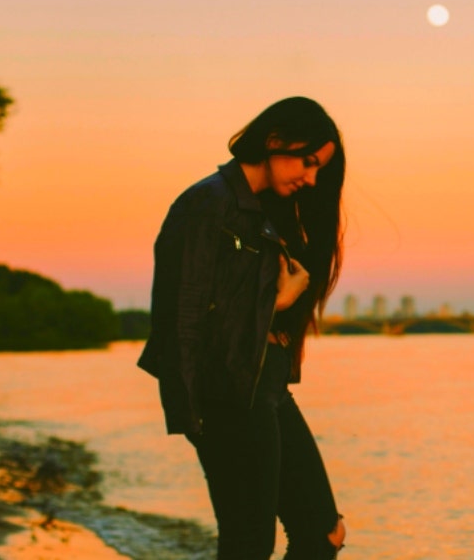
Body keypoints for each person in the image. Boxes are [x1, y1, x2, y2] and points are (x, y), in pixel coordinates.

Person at [138, 97, 348, 558]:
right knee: (249, 544)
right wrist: (191, 416)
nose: (311, 179)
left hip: (265, 383)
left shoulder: (265, 214)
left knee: (323, 532)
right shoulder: (207, 204)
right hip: (228, 391)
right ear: (275, 141)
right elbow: (182, 317)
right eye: (308, 162)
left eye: (319, 170)